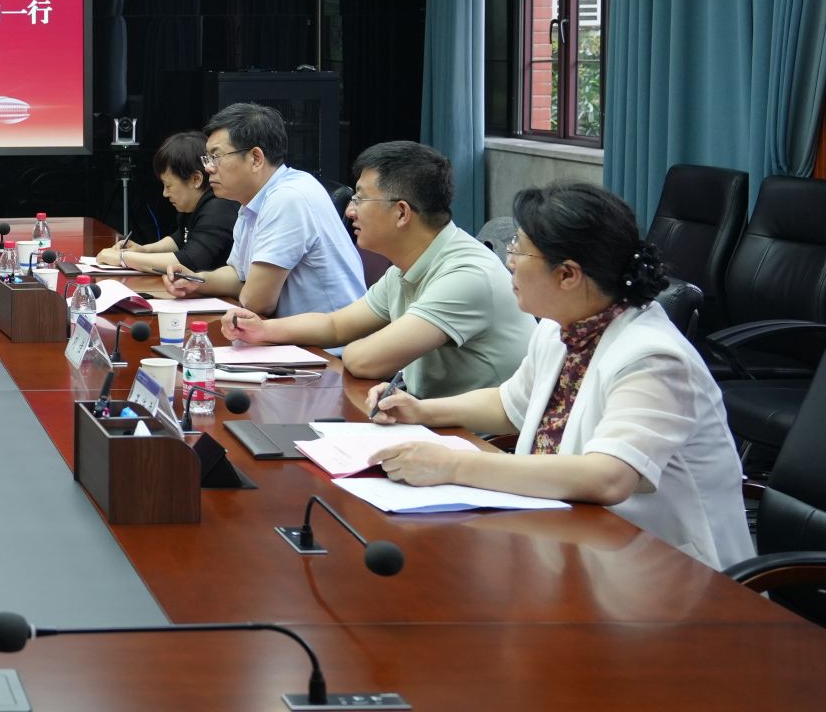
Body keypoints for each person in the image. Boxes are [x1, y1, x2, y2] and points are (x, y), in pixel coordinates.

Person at [367, 181, 750, 570]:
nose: (509, 261)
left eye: (519, 249)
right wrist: (422, 411)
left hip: (665, 568)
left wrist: (452, 465)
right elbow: (509, 404)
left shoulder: (653, 357)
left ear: (567, 274)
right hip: (567, 537)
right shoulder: (561, 326)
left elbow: (608, 477)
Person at [219, 141, 531, 397]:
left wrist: (360, 348)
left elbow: (364, 361)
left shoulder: (466, 275)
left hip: (477, 439)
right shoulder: (405, 268)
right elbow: (335, 326)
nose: (349, 210)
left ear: (401, 213)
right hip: (428, 419)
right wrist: (263, 330)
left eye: (360, 199)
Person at [164, 103, 365, 316]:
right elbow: (239, 275)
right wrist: (196, 280)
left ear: (256, 159)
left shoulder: (288, 197)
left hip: (331, 336)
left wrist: (245, 290)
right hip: (288, 331)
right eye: (208, 158)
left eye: (216, 157)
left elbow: (257, 302)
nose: (208, 167)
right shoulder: (253, 200)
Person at [94, 131, 237, 275]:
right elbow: (181, 238)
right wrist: (144, 250)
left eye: (168, 185)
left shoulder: (218, 208)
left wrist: (123, 258)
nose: (165, 193)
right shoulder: (193, 205)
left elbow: (189, 261)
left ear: (196, 179)